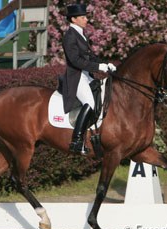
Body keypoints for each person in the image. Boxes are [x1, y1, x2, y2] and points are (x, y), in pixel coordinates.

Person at [61, 3, 116, 154]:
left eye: (86, 16)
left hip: (86, 76)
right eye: (83, 17)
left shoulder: (81, 34)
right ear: (73, 19)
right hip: (76, 77)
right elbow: (75, 61)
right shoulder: (69, 36)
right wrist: (98, 68)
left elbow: (90, 57)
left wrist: (106, 64)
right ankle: (77, 141)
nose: (86, 20)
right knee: (90, 103)